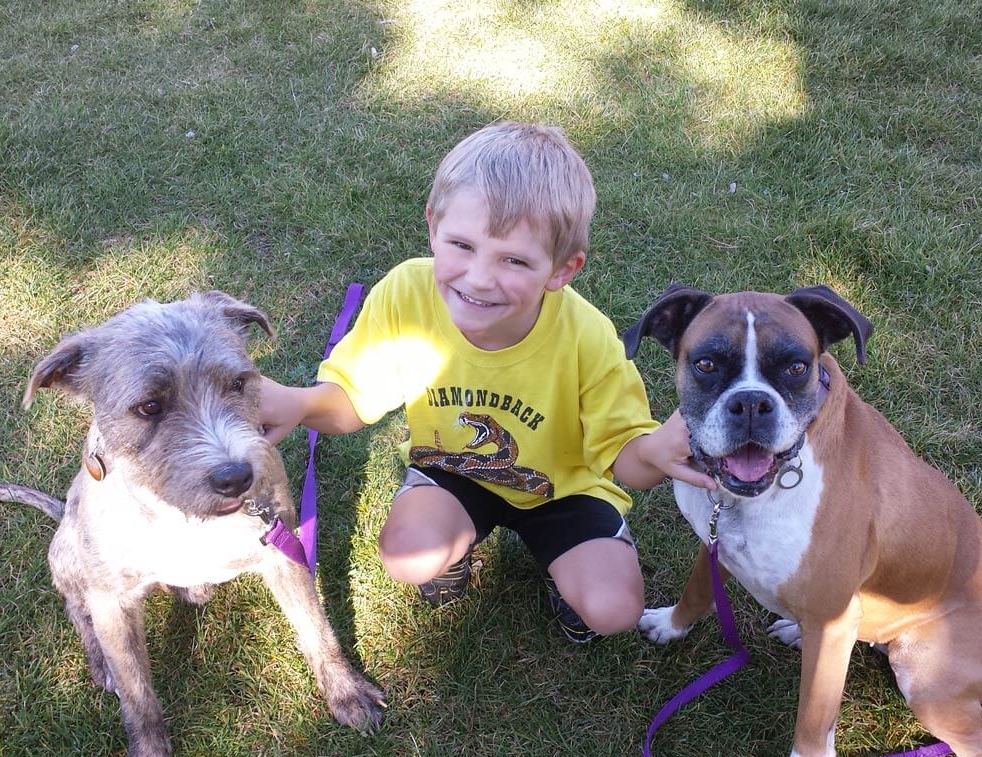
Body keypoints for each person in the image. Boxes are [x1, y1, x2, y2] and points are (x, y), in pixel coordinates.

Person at [260, 121, 713, 643]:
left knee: (613, 611)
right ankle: (451, 552)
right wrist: (297, 402)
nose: (478, 278)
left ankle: (569, 574)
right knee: (408, 556)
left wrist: (655, 451)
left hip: (563, 491)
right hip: (457, 470)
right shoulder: (407, 293)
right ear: (432, 226)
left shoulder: (589, 338)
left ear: (562, 270)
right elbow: (353, 401)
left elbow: (627, 461)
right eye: (461, 245)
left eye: (515, 260)